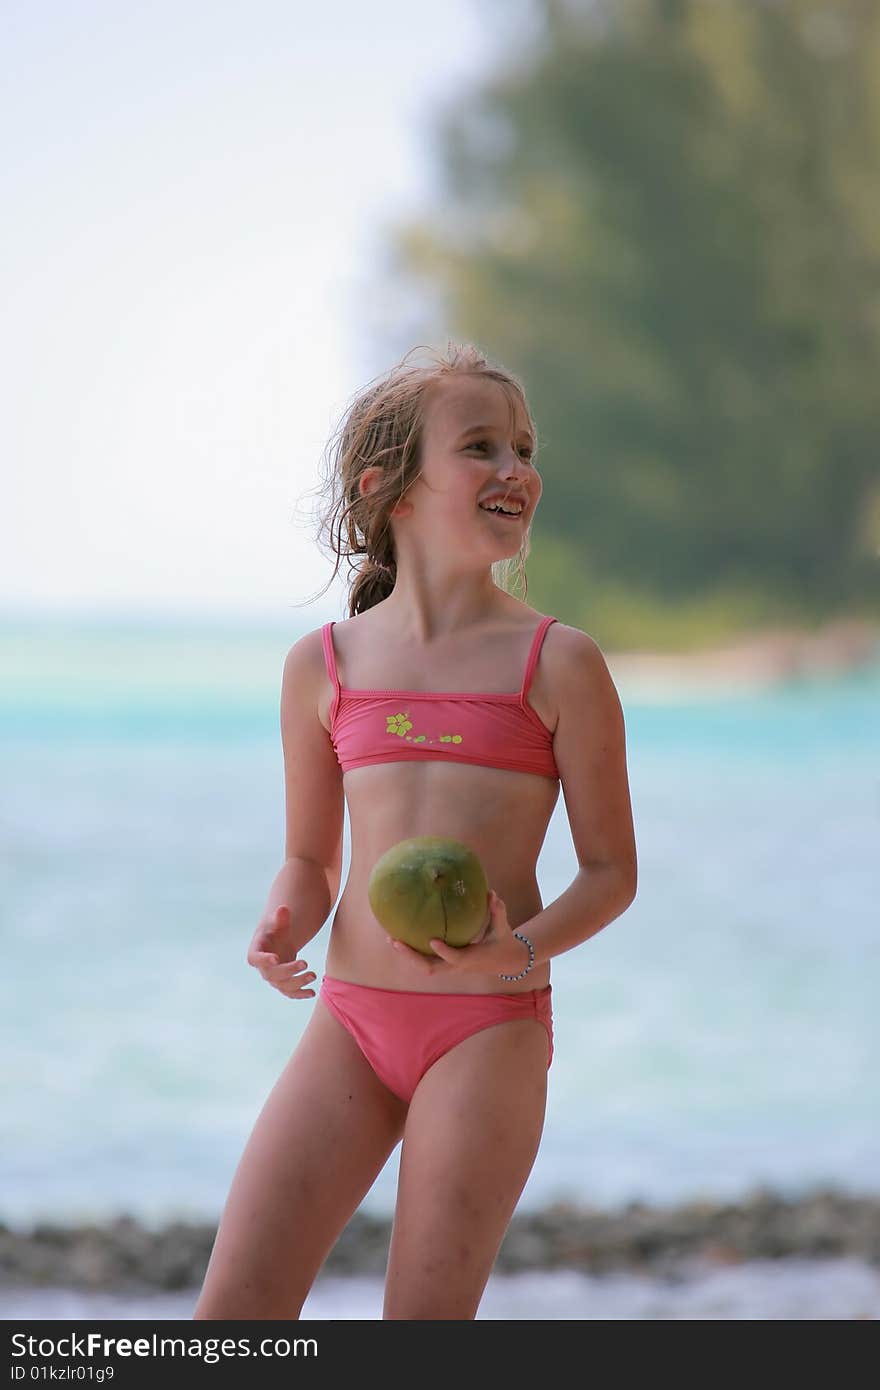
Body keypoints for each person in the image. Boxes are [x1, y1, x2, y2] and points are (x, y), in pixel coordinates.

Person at [194, 342, 637, 1320]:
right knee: (230, 1319)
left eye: (521, 448)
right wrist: (283, 918)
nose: (515, 469)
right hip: (350, 1018)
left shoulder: (558, 663)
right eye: (480, 446)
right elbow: (311, 857)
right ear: (388, 490)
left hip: (490, 1028)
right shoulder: (324, 665)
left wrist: (515, 950)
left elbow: (609, 874)